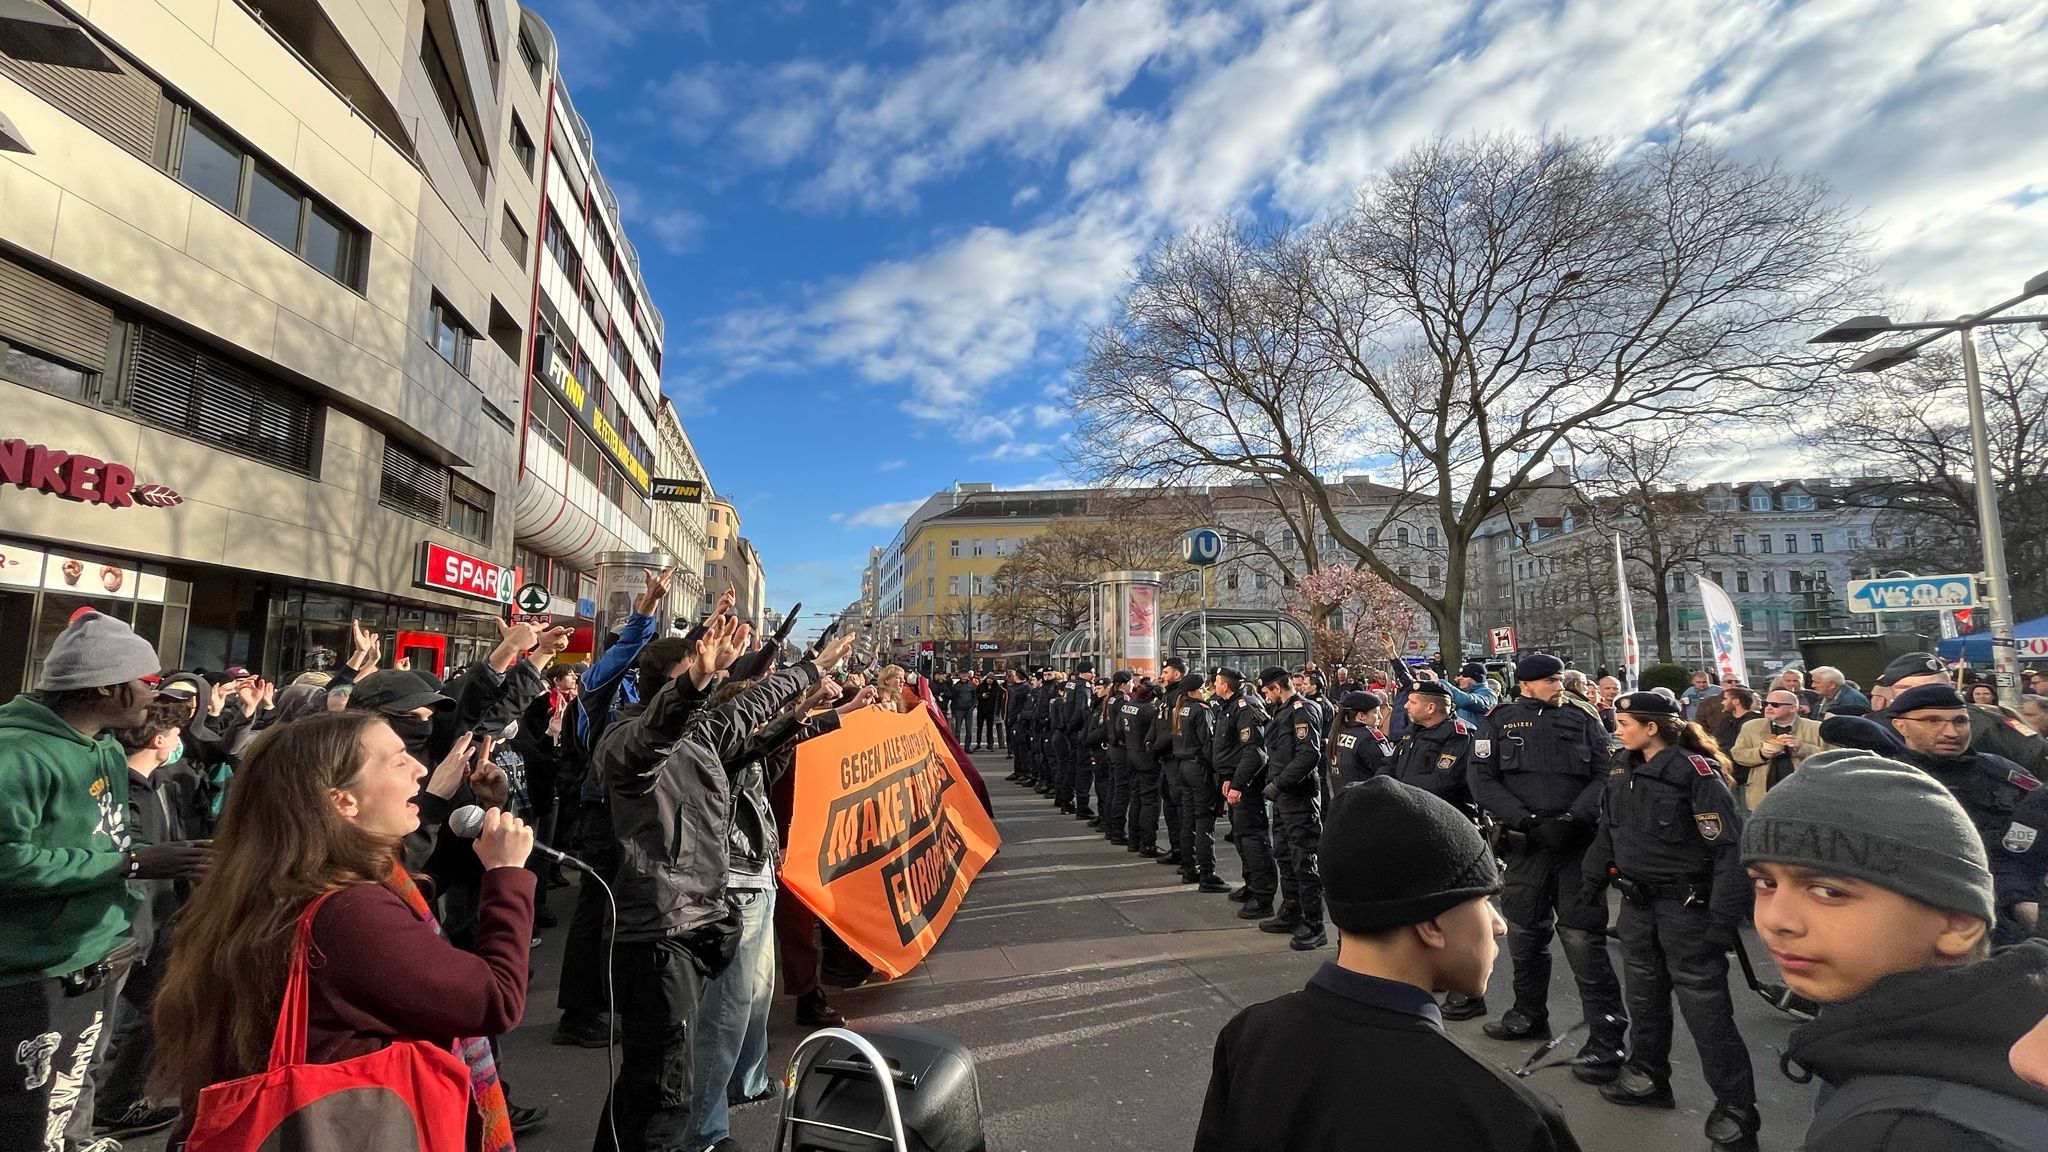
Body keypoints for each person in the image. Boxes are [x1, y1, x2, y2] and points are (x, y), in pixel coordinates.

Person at [152, 710, 537, 1152]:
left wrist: (490, 812)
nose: (421, 769)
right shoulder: (348, 910)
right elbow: (495, 999)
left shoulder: (281, 881)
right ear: (343, 802)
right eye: (397, 761)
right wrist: (507, 877)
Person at [1194, 778, 1582, 1152]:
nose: (1499, 925)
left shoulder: (1251, 1034)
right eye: (1483, 901)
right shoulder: (1510, 1117)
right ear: (1430, 924)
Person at [593, 614, 855, 1151]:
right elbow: (659, 736)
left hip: (692, 919)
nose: (712, 682)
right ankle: (699, 1139)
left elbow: (750, 721)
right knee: (664, 1081)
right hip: (658, 930)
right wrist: (694, 688)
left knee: (657, 1074)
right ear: (672, 686)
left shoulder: (698, 736)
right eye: (698, 674)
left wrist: (810, 680)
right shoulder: (626, 741)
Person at [1743, 751, 2048, 1150]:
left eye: (1829, 891)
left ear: (1958, 922)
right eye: (1765, 883)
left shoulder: (1899, 1131)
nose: (1776, 919)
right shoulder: (2007, 1034)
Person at [0, 612, 210, 1152]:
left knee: (74, 1089)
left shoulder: (108, 749)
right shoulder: (16, 754)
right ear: (106, 687)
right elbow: (7, 860)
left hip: (97, 957)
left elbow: (109, 841)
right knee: (30, 1110)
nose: (154, 694)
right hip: (36, 971)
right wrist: (131, 864)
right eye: (147, 681)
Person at [1582, 692, 1758, 1151]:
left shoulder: (1693, 772)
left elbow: (1727, 850)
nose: (1617, 729)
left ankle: (1736, 1108)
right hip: (1638, 906)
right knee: (1643, 998)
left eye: (1624, 722)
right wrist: (1590, 881)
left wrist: (1722, 920)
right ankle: (1646, 1076)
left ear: (1652, 726)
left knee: (1707, 1011)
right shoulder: (1622, 766)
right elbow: (1609, 829)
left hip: (1687, 908)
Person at [1466, 653, 1629, 1073]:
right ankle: (1528, 1014)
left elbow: (1604, 773)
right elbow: (1482, 780)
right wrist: (1526, 821)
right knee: (1524, 935)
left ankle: (1606, 1040)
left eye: (1560, 679)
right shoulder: (1499, 721)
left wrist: (1576, 817)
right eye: (1550, 681)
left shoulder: (1583, 718)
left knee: (1582, 940)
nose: (1559, 686)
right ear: (1526, 685)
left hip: (1576, 848)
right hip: (1527, 847)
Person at [91, 699, 208, 1140]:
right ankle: (90, 1114)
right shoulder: (119, 790)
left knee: (158, 1013)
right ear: (160, 741)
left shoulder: (165, 783)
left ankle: (119, 1101)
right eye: (176, 735)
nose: (180, 742)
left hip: (162, 920)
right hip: (127, 925)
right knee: (99, 1028)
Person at [1880, 682, 2043, 944]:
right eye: (1932, 720)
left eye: (1960, 721)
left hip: (2014, 915)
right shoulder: (1886, 781)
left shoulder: (2003, 772)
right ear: (1901, 725)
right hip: (1931, 922)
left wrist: (2022, 901)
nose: (1951, 732)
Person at [1259, 667, 1327, 951]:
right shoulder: (1282, 711)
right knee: (1284, 854)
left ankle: (1315, 924)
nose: (1265, 696)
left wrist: (1280, 784)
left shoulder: (1303, 710)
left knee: (1304, 858)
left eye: (1266, 691)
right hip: (1283, 796)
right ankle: (1292, 910)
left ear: (1277, 688)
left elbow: (1308, 754)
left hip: (1298, 795)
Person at [1212, 668, 1278, 918]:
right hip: (1235, 780)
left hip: (1247, 785)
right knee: (1241, 837)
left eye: (1217, 682)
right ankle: (1251, 884)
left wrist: (1238, 784)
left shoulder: (1244, 707)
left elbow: (1254, 753)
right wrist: (1229, 779)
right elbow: (1231, 749)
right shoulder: (1229, 706)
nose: (1214, 686)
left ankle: (1263, 897)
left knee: (1253, 839)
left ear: (1226, 686)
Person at [1165, 665, 1226, 892]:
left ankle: (1189, 867)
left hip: (1182, 767)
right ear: (1195, 690)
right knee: (1204, 822)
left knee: (1188, 819)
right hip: (1199, 769)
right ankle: (1207, 873)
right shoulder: (1201, 710)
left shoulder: (1178, 709)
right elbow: (1208, 744)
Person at [1729, 688, 1824, 810]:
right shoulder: (1751, 726)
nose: (1768, 708)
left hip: (1804, 796)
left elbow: (1829, 756)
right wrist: (1761, 753)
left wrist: (1802, 747)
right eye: (1765, 704)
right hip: (1762, 795)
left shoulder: (1815, 728)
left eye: (1775, 705)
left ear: (1793, 708)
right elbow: (1737, 753)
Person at [1153, 660, 1194, 868]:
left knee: (1178, 807)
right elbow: (1158, 721)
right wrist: (1150, 742)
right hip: (1165, 758)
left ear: (1177, 674)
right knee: (1169, 805)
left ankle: (1183, 851)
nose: (1162, 674)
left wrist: (1156, 747)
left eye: (1166, 671)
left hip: (1174, 758)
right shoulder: (1165, 694)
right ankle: (1175, 846)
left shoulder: (1180, 696)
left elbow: (1174, 729)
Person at [1119, 681, 1164, 856]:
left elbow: (1118, 730)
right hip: (1146, 759)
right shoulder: (1150, 711)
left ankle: (1133, 840)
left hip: (1130, 754)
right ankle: (1148, 844)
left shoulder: (1127, 706)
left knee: (1136, 799)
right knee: (1150, 802)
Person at [1331, 690, 1395, 792]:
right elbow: (1388, 771)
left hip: (1342, 800)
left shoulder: (1337, 734)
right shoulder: (1368, 738)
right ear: (1361, 716)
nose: (1380, 716)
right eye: (1376, 712)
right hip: (1366, 801)